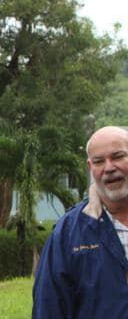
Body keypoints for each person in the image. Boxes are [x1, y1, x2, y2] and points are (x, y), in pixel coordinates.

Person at [32, 125, 128, 318]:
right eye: (99, 161)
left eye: (117, 157)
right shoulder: (68, 233)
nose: (109, 168)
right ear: (90, 167)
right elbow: (49, 307)